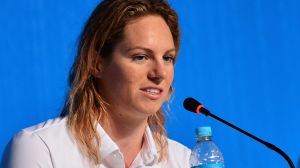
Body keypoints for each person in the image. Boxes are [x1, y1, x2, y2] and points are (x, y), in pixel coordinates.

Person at [2, 0, 191, 167]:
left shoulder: (184, 161)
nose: (159, 73)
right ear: (96, 62)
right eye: (140, 57)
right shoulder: (40, 148)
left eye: (168, 58)